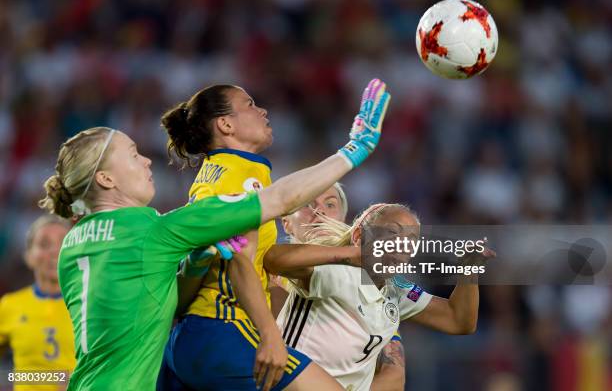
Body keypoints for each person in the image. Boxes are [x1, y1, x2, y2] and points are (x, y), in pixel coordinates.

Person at [39, 78, 390, 391]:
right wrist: (356, 148)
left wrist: (193, 265)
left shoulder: (73, 243)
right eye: (133, 155)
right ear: (106, 179)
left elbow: (160, 296)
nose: (147, 161)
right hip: (220, 331)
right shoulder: (157, 230)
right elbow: (279, 201)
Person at [157, 78, 389, 391]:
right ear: (225, 124)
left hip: (189, 335)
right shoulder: (242, 173)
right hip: (224, 328)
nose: (263, 111)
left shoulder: (215, 172)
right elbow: (240, 261)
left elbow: (283, 195)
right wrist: (270, 335)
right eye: (250, 105)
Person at [265, 203, 492, 391]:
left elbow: (458, 320)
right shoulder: (336, 272)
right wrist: (352, 254)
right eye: (392, 233)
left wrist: (469, 271)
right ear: (358, 236)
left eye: (411, 240)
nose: (402, 244)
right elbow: (272, 258)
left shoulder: (397, 290)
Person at [277, 183, 407, 391]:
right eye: (307, 204)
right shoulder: (265, 273)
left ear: (343, 220)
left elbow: (394, 376)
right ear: (286, 223)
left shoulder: (376, 285)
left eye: (330, 204)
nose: (319, 211)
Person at [0, 215, 76, 391]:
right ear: (28, 256)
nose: (55, 251)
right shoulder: (10, 305)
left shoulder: (92, 305)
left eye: (63, 243)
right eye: (44, 244)